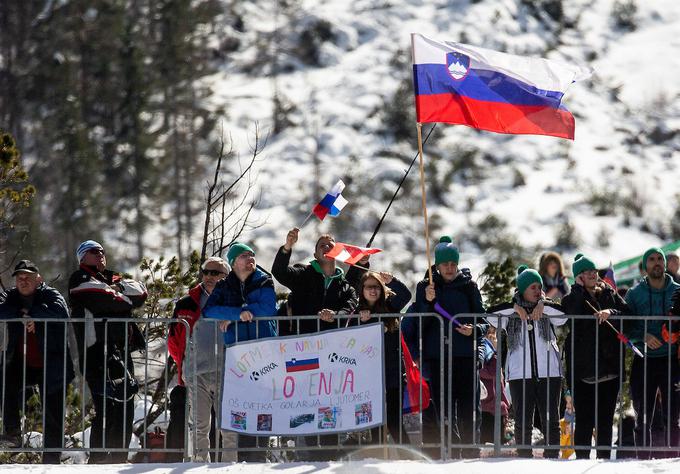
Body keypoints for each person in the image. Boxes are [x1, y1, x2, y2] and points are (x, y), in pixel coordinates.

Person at [271, 228, 357, 460]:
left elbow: (350, 305)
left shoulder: (345, 285)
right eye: (322, 245)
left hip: (331, 354)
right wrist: (287, 247)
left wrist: (336, 314)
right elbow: (279, 272)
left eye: (331, 245)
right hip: (303, 351)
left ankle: (328, 453)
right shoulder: (304, 273)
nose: (327, 248)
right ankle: (306, 451)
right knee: (304, 401)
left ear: (338, 251)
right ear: (315, 253)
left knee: (328, 401)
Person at [404, 236, 486, 459]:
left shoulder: (469, 287)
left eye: (453, 264)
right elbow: (420, 323)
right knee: (442, 410)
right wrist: (427, 302)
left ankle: (470, 452)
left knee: (468, 409)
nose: (449, 268)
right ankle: (448, 451)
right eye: (445, 264)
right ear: (437, 266)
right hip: (437, 357)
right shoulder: (426, 286)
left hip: (464, 356)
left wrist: (474, 330)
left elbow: (484, 321)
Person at [69, 240, 147, 464]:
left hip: (121, 352)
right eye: (95, 252)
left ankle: (119, 458)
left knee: (126, 407)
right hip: (96, 353)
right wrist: (120, 298)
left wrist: (117, 292)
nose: (101, 255)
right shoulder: (79, 278)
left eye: (102, 251)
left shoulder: (113, 278)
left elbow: (141, 292)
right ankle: (99, 460)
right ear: (83, 258)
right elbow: (101, 299)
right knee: (106, 408)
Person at [204, 242, 277, 462]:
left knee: (263, 402)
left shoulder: (264, 280)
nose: (251, 258)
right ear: (234, 261)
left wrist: (245, 312)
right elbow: (209, 310)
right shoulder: (225, 285)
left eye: (252, 254)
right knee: (243, 403)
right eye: (245, 255)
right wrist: (238, 313)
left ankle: (259, 454)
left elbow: (268, 307)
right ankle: (244, 455)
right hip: (237, 353)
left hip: (263, 349)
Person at [488, 266, 566, 458]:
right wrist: (515, 308)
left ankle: (552, 455)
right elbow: (490, 314)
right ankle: (524, 456)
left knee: (551, 418)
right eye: (532, 287)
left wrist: (543, 305)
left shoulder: (547, 308)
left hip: (549, 372)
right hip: (520, 373)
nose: (538, 290)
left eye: (539, 286)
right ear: (522, 289)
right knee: (523, 420)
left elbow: (562, 317)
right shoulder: (510, 312)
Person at [0, 260, 74, 463]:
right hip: (22, 363)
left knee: (52, 413)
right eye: (19, 278)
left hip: (52, 363)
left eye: (28, 277)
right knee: (4, 380)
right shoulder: (12, 297)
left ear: (38, 279)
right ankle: (13, 432)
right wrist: (20, 315)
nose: (23, 281)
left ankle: (51, 459)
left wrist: (34, 316)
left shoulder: (50, 294)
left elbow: (61, 311)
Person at [562, 254, 628, 459]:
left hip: (609, 369)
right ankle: (581, 461)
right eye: (587, 271)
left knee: (605, 421)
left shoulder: (609, 293)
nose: (593, 274)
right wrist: (580, 290)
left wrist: (611, 312)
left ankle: (603, 462)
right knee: (584, 420)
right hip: (584, 371)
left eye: (593, 270)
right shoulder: (571, 297)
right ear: (578, 276)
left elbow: (627, 313)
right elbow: (570, 315)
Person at [167, 256, 229, 462]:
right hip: (196, 370)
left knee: (227, 425)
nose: (209, 276)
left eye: (216, 273)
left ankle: (232, 465)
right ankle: (199, 464)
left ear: (226, 276)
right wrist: (184, 364)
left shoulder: (234, 300)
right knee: (200, 424)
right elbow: (174, 340)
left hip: (228, 370)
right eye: (206, 272)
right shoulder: (187, 301)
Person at [624, 247, 680, 458]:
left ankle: (674, 462)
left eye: (660, 259)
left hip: (672, 360)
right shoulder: (634, 294)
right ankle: (643, 462)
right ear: (645, 265)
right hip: (644, 360)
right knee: (643, 418)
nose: (656, 263)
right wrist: (643, 335)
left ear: (665, 264)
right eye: (652, 259)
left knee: (673, 418)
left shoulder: (678, 290)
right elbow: (625, 326)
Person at [349, 271, 412, 446]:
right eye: (369, 287)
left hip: (392, 371)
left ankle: (410, 459)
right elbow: (350, 338)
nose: (373, 290)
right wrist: (361, 321)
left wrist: (392, 280)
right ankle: (377, 458)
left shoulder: (390, 306)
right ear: (362, 290)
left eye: (376, 286)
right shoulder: (357, 312)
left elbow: (406, 295)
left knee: (394, 421)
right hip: (370, 374)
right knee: (374, 420)